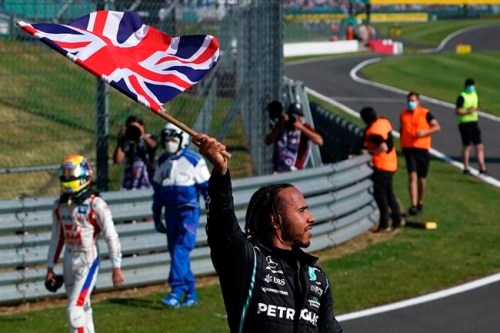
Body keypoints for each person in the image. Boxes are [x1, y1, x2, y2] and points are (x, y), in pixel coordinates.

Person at [192, 133, 343, 332]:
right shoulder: (249, 261)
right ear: (275, 221)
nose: (311, 217)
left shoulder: (316, 277)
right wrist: (220, 173)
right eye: (301, 211)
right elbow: (223, 226)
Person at [46, 154, 124, 333]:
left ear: (83, 176)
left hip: (88, 259)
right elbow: (57, 237)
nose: (66, 178)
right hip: (68, 259)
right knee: (83, 308)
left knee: (74, 310)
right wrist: (50, 267)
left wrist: (116, 266)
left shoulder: (96, 204)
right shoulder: (60, 206)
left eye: (70, 174)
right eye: (64, 174)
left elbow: (111, 235)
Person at [152, 123, 210, 308]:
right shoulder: (162, 161)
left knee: (180, 249)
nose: (169, 143)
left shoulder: (194, 160)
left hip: (189, 211)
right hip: (170, 212)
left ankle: (176, 291)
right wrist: (156, 216)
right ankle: (191, 292)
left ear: (182, 140)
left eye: (173, 139)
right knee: (177, 253)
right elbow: (158, 192)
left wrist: (213, 211)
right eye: (167, 140)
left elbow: (207, 190)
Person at [360, 107, 402, 232]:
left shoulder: (373, 132)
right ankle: (397, 220)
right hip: (391, 163)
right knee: (389, 194)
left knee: (381, 196)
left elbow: (383, 146)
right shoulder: (384, 121)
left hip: (381, 166)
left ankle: (384, 224)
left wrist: (369, 151)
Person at [399, 92, 441, 216]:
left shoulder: (425, 113)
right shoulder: (403, 115)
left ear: (418, 101)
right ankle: (413, 205)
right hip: (408, 148)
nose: (410, 103)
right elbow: (402, 129)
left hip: (422, 148)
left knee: (421, 178)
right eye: (409, 101)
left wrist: (425, 132)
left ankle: (420, 202)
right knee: (412, 176)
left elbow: (437, 127)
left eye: (413, 101)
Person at [265, 102, 323, 173]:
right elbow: (268, 141)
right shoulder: (282, 125)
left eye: (300, 116)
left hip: (295, 170)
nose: (297, 118)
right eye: (295, 116)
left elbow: (320, 141)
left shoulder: (305, 128)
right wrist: (281, 126)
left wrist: (301, 128)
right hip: (278, 170)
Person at [113, 115, 158, 190]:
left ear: (142, 127)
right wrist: (121, 140)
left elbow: (153, 145)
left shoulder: (148, 138)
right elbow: (117, 160)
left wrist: (142, 135)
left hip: (147, 178)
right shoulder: (126, 141)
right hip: (129, 180)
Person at [455, 78, 487, 175]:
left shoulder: (475, 94)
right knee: (467, 146)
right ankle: (466, 167)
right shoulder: (462, 96)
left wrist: (476, 109)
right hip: (465, 124)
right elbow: (458, 111)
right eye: (470, 86)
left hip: (474, 123)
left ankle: (482, 167)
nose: (471, 88)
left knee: (479, 146)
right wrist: (469, 111)